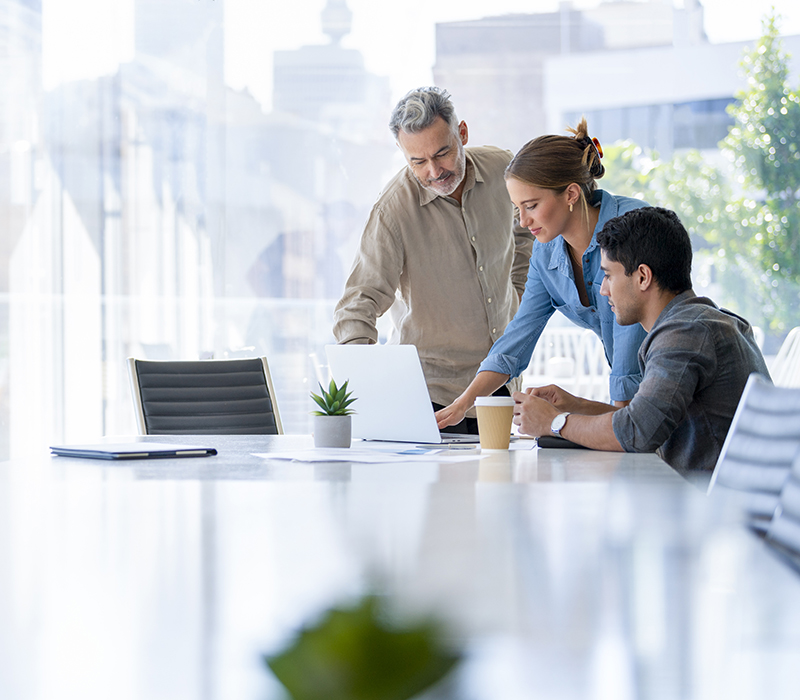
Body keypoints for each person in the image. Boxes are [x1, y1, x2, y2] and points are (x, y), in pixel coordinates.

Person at [512, 207, 770, 476]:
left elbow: (637, 432)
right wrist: (575, 406)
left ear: (643, 277)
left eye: (609, 275)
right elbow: (647, 419)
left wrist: (554, 422)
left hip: (713, 509)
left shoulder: (685, 332)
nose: (603, 290)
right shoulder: (699, 321)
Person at [333, 87, 533, 433]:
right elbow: (357, 305)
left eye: (442, 153)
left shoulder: (503, 168)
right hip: (432, 397)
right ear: (402, 153)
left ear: (463, 134)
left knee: (502, 485)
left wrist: (516, 291)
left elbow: (526, 229)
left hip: (500, 384)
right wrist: (369, 392)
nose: (434, 171)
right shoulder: (393, 211)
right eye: (418, 161)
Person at [436, 119, 649, 430]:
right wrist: (462, 404)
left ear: (571, 194)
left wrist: (599, 425)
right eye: (517, 208)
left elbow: (629, 350)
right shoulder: (546, 252)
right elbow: (516, 340)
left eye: (532, 205)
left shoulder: (631, 228)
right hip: (639, 405)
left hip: (675, 386)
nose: (523, 222)